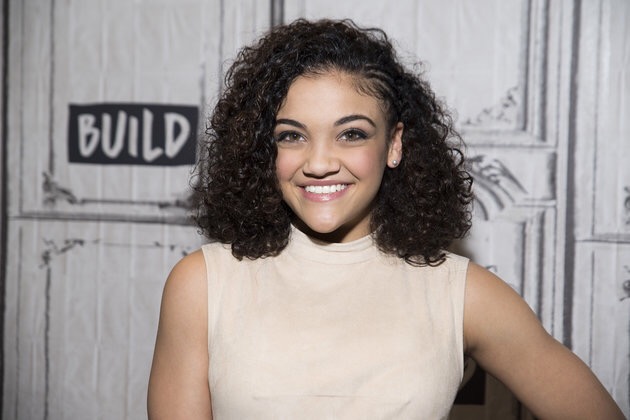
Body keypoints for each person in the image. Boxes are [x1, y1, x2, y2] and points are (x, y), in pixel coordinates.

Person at [147, 18, 624, 419]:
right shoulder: (203, 285)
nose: (318, 163)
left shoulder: (460, 293)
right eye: (292, 136)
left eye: (351, 134)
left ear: (394, 144)